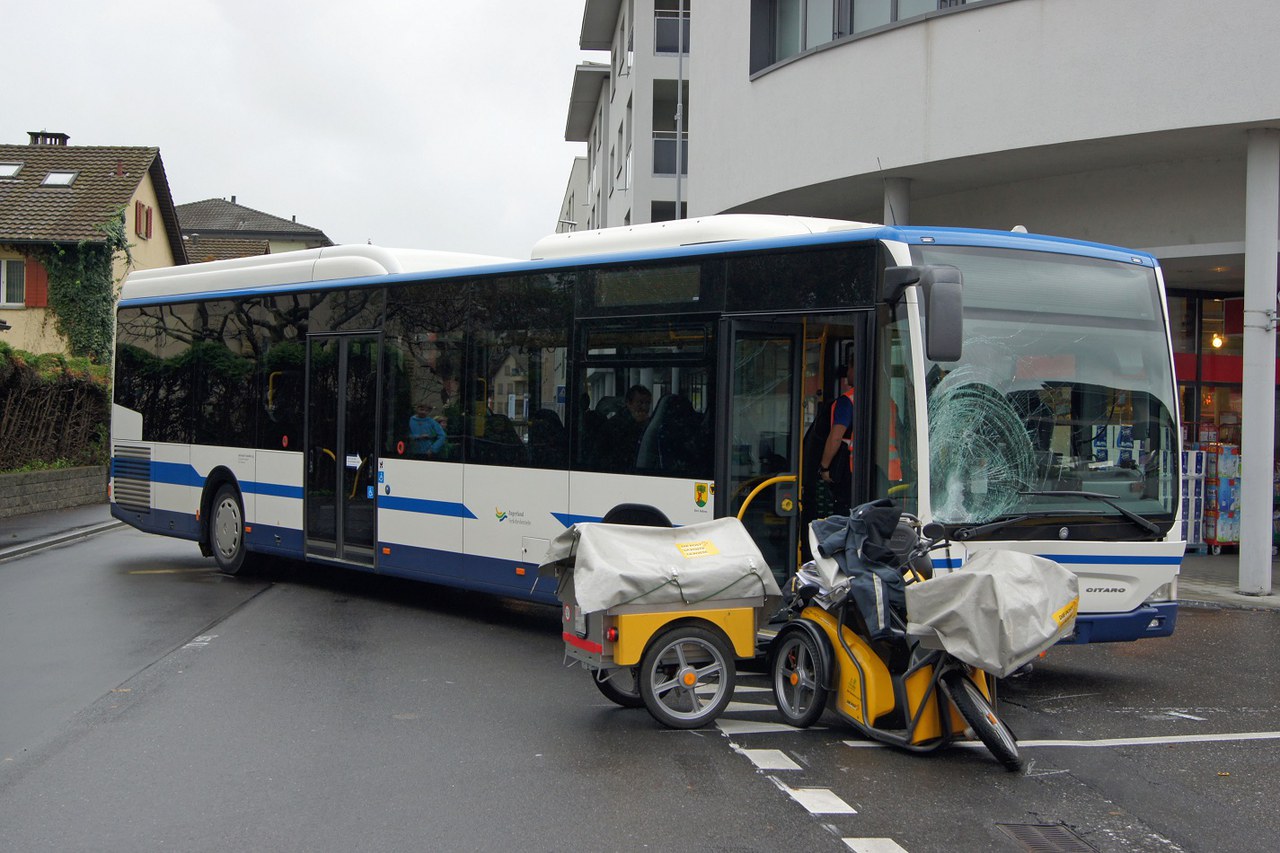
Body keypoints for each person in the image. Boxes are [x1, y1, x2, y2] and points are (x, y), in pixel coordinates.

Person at [818, 357, 856, 515]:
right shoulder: (887, 400)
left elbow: (836, 437)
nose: (847, 373)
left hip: (851, 471)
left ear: (856, 369)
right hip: (890, 473)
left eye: (849, 368)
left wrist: (824, 468)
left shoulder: (847, 401)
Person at [609, 384, 652, 471]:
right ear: (629, 403)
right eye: (640, 402)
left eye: (647, 403)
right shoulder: (616, 424)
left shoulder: (649, 424)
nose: (644, 407)